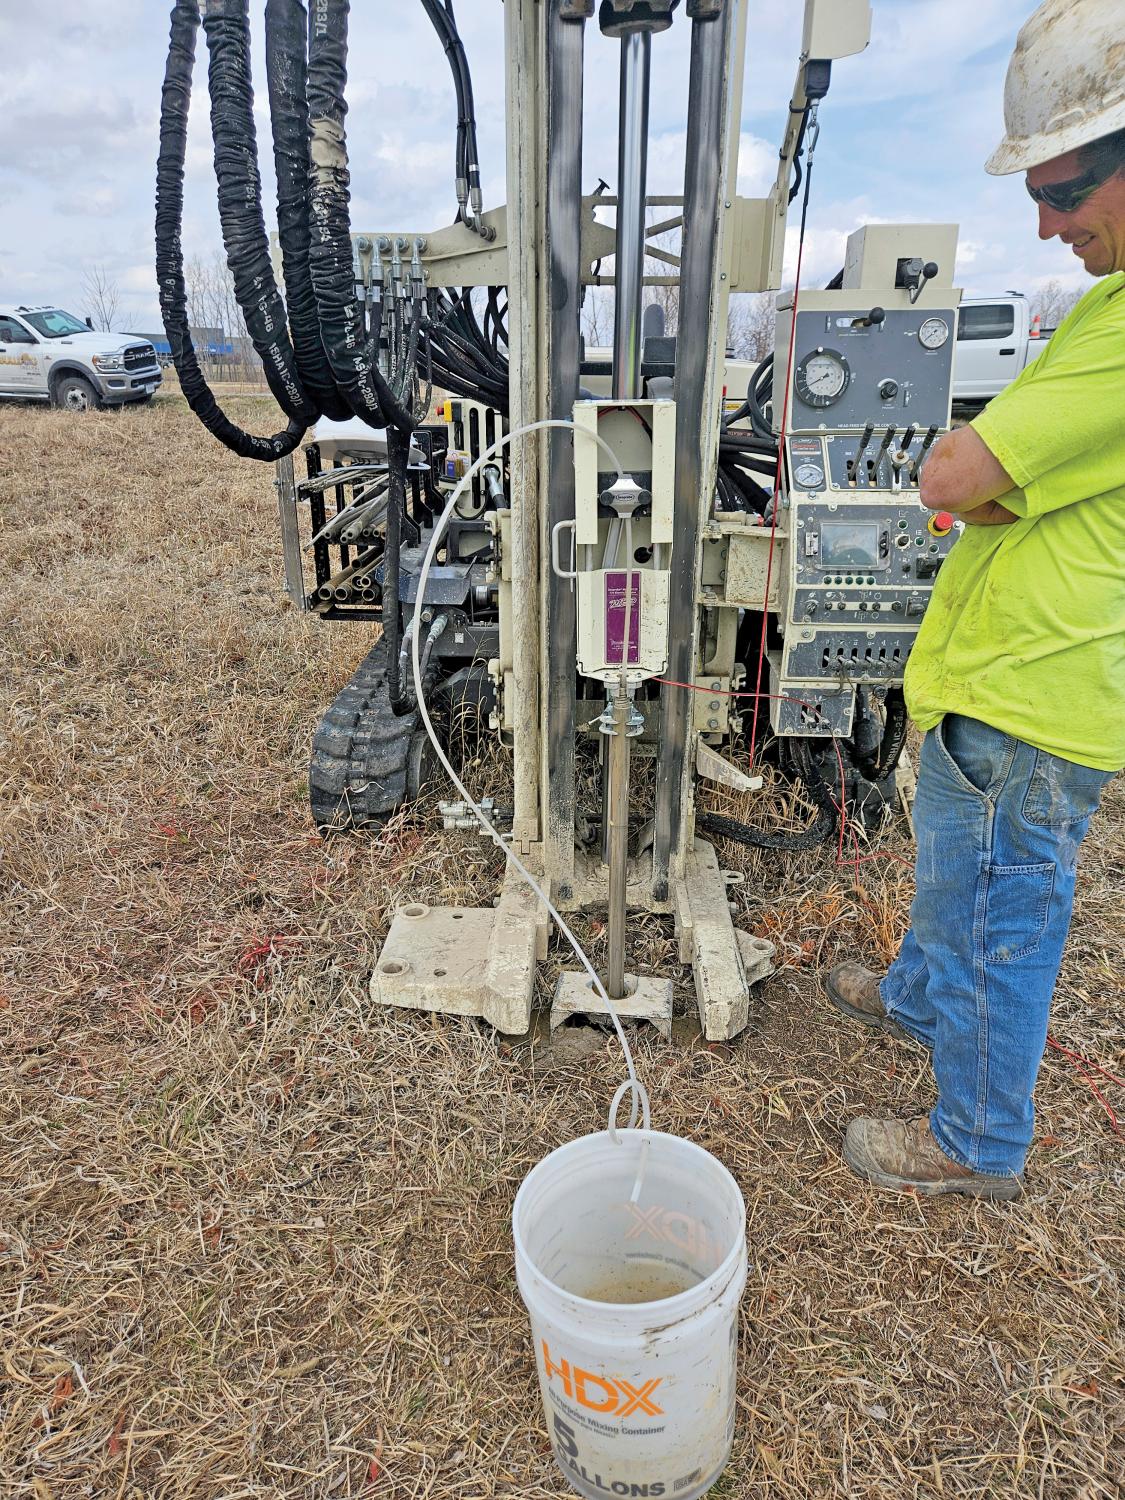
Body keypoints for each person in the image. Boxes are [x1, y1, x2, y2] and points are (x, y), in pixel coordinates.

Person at [825, 0, 1125, 1200]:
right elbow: (997, 488)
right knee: (960, 868)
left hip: (1040, 695)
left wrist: (975, 476)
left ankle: (975, 1142)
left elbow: (953, 474)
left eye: (1064, 192)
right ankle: (915, 1002)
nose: (1048, 225)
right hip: (998, 684)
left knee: (1008, 917)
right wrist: (999, 487)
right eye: (1035, 199)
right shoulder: (1104, 307)